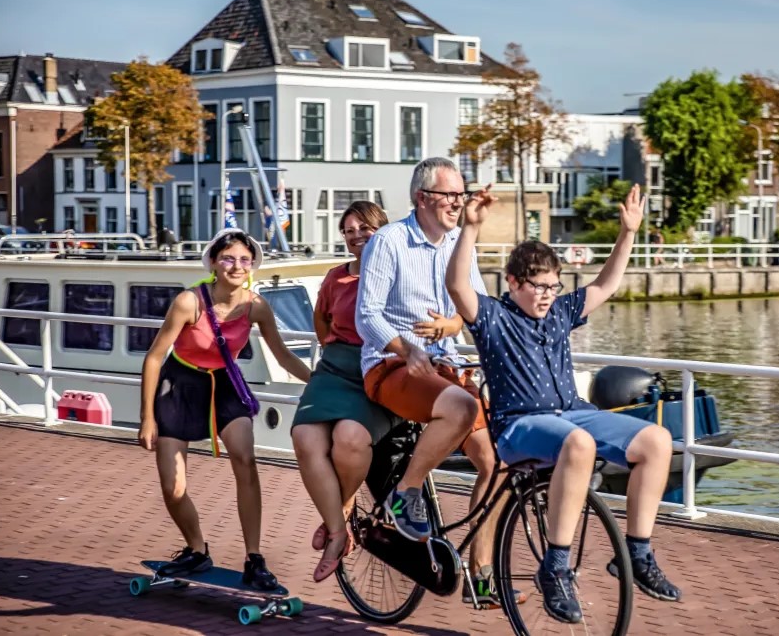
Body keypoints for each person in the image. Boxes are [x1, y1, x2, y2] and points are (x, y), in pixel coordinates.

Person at [447, 184, 681, 624]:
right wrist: (470, 228)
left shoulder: (559, 312)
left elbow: (606, 283)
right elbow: (457, 285)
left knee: (657, 440)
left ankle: (637, 553)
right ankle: (555, 566)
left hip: (572, 413)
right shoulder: (495, 316)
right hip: (520, 425)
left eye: (554, 287)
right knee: (578, 444)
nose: (547, 296)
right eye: (538, 287)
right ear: (513, 283)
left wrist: (628, 232)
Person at [355, 157, 506, 608]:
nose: (457, 204)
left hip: (444, 366)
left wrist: (452, 324)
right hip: (391, 365)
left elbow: (472, 308)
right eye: (449, 196)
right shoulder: (389, 241)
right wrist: (408, 349)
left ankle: (479, 573)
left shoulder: (460, 241)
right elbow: (368, 315)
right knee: (460, 408)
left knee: (495, 465)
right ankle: (406, 493)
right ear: (421, 198)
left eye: (462, 196)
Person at [138, 228, 312, 589]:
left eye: (244, 260)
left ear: (252, 266)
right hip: (180, 386)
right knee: (173, 487)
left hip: (225, 385)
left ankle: (254, 558)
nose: (236, 266)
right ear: (214, 263)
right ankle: (197, 550)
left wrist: (319, 381)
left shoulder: (256, 306)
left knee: (246, 461)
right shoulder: (189, 302)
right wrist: (147, 419)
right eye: (228, 258)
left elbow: (282, 355)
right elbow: (155, 358)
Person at [292, 201, 455, 582]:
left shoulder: (399, 269)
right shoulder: (335, 278)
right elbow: (322, 322)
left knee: (350, 440)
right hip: (336, 367)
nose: (356, 236)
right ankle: (336, 530)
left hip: (382, 364)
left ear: (382, 230)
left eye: (364, 228)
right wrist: (334, 352)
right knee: (303, 436)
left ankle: (342, 509)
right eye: (348, 231)